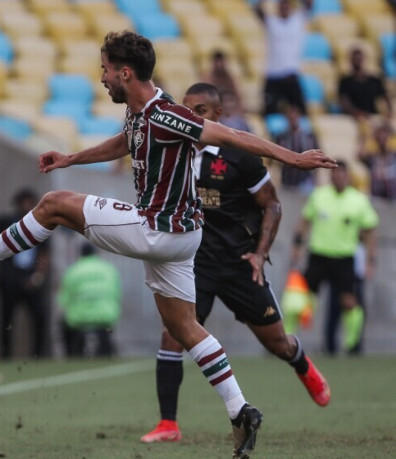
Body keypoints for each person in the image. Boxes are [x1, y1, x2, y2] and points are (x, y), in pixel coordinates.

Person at [0, 31, 336, 458]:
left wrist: (292, 158)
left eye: (105, 69)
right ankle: (240, 410)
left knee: (53, 205)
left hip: (159, 230)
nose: (102, 78)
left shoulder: (166, 113)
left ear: (125, 72)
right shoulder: (138, 112)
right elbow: (125, 142)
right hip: (183, 238)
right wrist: (72, 158)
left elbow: (227, 135)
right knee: (183, 328)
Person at [140, 83, 330, 444]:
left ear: (217, 115)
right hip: (196, 264)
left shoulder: (238, 156)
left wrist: (259, 253)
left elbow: (271, 204)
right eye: (187, 109)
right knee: (174, 333)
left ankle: (301, 362)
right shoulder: (174, 151)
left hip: (241, 262)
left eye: (201, 110)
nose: (192, 117)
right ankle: (168, 424)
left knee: (277, 343)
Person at [291, 161, 379, 356]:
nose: (338, 177)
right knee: (298, 299)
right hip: (319, 255)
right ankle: (284, 342)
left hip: (344, 258)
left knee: (349, 302)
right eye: (335, 174)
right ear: (330, 176)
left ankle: (353, 345)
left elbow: (371, 230)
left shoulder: (358, 200)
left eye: (342, 174)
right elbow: (304, 221)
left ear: (347, 177)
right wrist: (297, 245)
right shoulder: (319, 196)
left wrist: (371, 260)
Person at [0, 188, 51, 359]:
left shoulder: (40, 224)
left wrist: (38, 276)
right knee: (6, 318)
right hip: (9, 277)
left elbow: (44, 254)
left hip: (30, 276)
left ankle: (38, 354)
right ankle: (4, 354)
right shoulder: (6, 222)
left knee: (39, 316)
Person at [57, 243, 121, 358]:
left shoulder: (72, 270)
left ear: (80, 254)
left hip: (78, 318)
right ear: (95, 253)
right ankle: (106, 351)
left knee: (64, 325)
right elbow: (116, 295)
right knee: (106, 333)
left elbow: (63, 300)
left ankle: (72, 354)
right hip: (104, 316)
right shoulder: (108, 269)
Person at [255, 0, 312, 114]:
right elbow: (258, 10)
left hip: (291, 74)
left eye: (287, 6)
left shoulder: (297, 21)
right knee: (269, 111)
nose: (284, 9)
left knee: (301, 112)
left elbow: (309, 4)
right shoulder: (272, 22)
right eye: (282, 6)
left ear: (291, 8)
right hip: (273, 74)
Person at [273, 105, 319, 193]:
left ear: (299, 117)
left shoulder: (309, 137)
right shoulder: (281, 137)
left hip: (305, 181)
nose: (292, 120)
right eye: (290, 117)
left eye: (294, 116)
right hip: (286, 180)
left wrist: (316, 179)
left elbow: (318, 157)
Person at [338, 48, 392, 121]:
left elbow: (385, 97)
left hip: (372, 116)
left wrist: (389, 112)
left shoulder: (374, 81)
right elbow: (344, 101)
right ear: (350, 60)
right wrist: (355, 113)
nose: (357, 61)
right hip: (353, 118)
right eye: (355, 58)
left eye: (359, 58)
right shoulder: (345, 81)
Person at [358, 122, 396, 200]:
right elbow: (360, 155)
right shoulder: (372, 159)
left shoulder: (394, 156)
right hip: (377, 200)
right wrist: (369, 136)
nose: (382, 139)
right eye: (379, 137)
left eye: (385, 136)